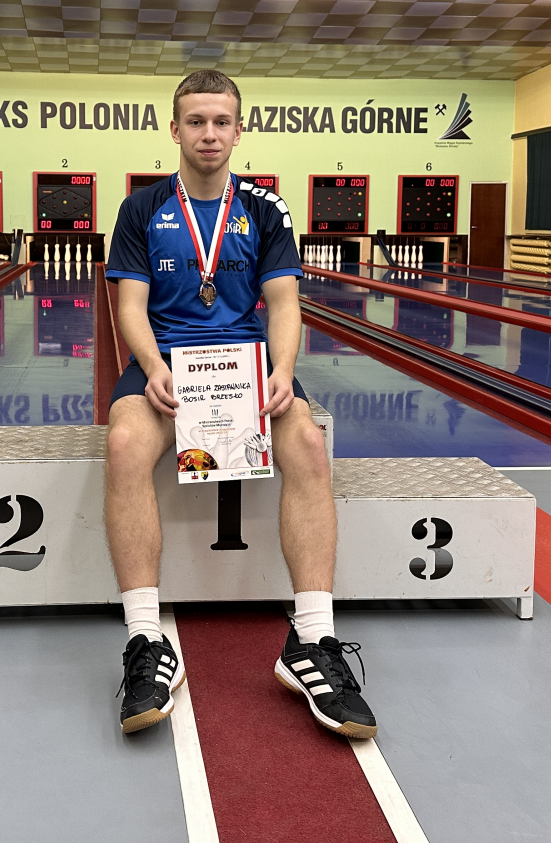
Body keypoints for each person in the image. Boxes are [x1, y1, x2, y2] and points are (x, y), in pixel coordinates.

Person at [103, 69, 377, 739]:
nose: (209, 133)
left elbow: (283, 304)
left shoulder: (265, 209)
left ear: (239, 129)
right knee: (125, 442)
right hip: (167, 364)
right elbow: (130, 306)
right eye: (196, 121)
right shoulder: (141, 209)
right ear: (175, 129)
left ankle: (312, 640)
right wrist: (152, 367)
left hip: (247, 367)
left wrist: (283, 371)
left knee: (307, 440)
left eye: (221, 121)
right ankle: (145, 641)